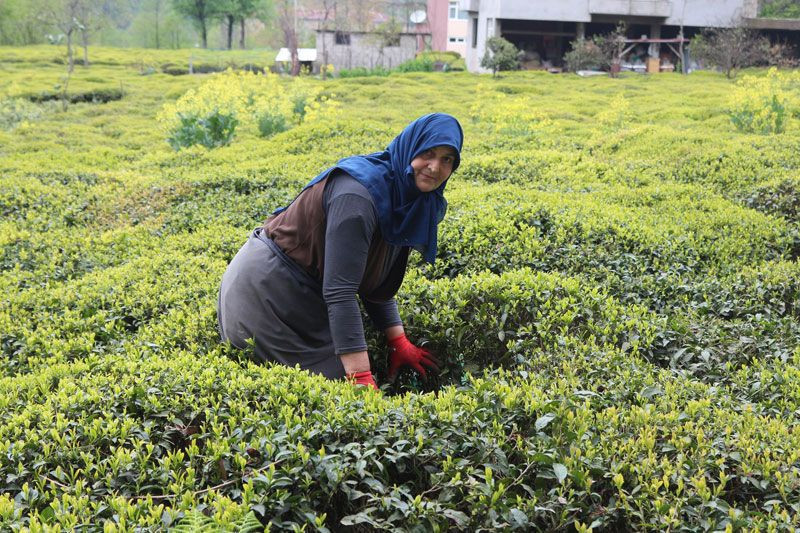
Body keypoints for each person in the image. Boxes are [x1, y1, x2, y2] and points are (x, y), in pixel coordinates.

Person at [217, 113, 463, 390]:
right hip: (267, 295)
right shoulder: (357, 197)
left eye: (447, 159)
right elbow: (341, 290)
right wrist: (360, 377)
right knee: (332, 389)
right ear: (410, 147)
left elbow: (371, 273)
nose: (434, 167)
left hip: (306, 293)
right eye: (427, 153)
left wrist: (398, 341)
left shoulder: (406, 197)